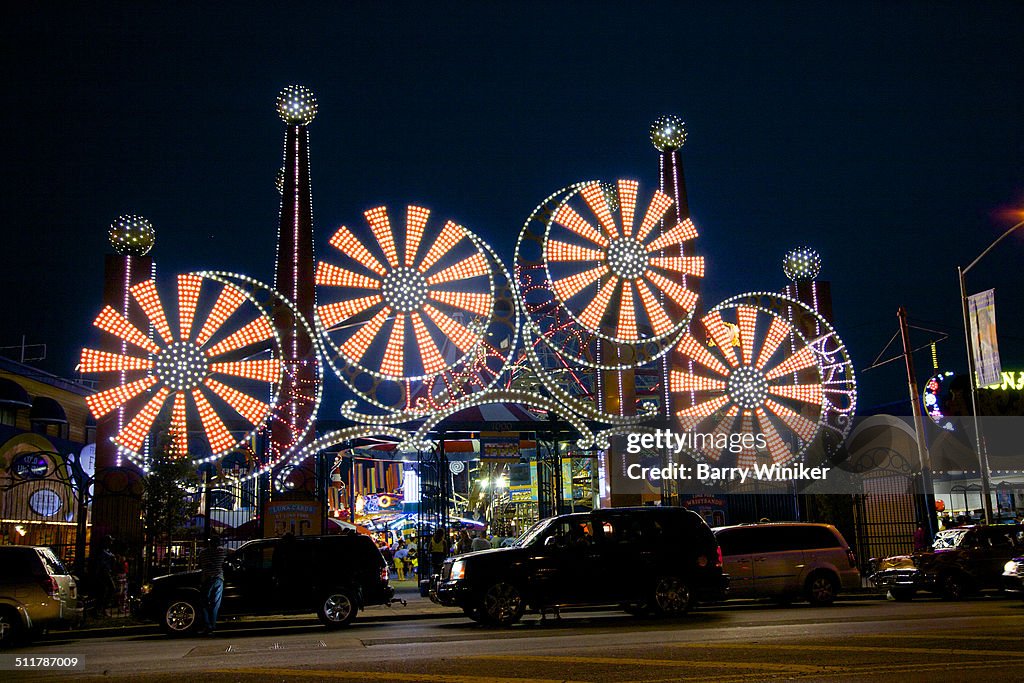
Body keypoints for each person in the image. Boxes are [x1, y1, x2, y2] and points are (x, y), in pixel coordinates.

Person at [197, 535, 228, 635]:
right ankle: (212, 624)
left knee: (204, 603)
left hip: (206, 579)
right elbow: (233, 552)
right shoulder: (222, 551)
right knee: (215, 603)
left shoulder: (202, 552)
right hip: (218, 579)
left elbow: (200, 565)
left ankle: (207, 625)